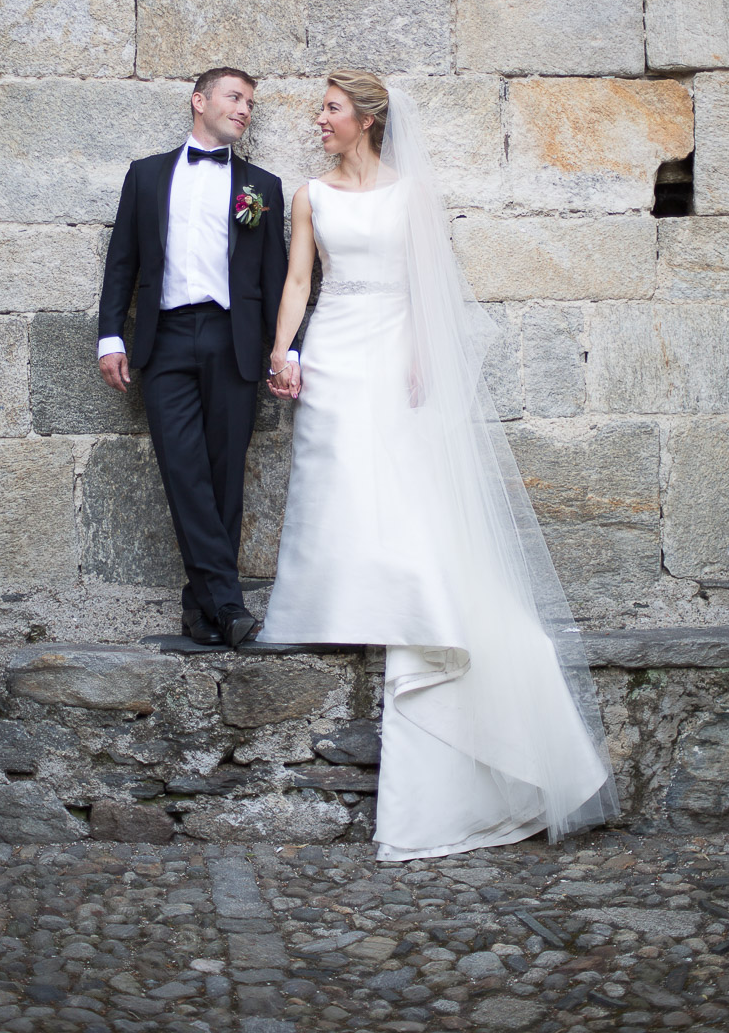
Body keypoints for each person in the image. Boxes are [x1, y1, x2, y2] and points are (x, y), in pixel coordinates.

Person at [261, 69, 619, 861]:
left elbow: (431, 286)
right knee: (337, 474)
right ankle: (335, 599)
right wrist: (284, 349)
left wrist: (425, 356)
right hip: (337, 344)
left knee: (402, 478)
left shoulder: (412, 193)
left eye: (328, 108)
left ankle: (413, 595)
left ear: (366, 118)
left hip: (395, 346)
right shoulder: (308, 194)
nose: (317, 119)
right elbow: (297, 279)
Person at [96, 67, 294, 650]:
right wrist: (111, 336)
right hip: (165, 340)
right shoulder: (147, 175)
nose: (244, 110)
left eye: (251, 104)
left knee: (224, 476)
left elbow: (277, 273)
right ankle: (229, 603)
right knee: (183, 469)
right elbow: (122, 263)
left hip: (234, 339)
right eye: (235, 98)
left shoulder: (262, 185)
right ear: (199, 100)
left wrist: (286, 348)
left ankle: (202, 610)